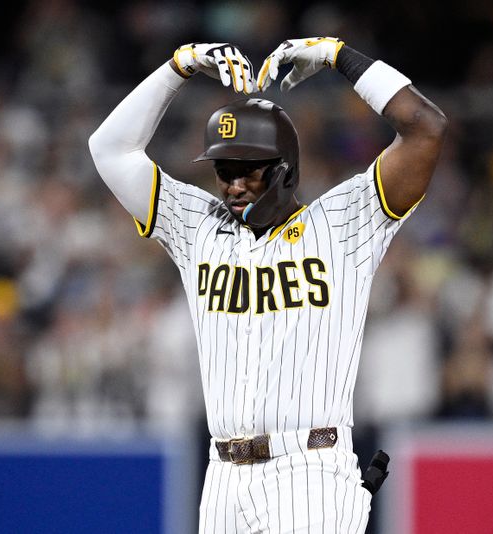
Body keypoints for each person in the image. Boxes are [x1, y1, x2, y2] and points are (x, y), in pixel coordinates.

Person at [89, 37, 446, 534]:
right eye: (223, 169)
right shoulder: (198, 229)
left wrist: (338, 56)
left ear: (284, 170)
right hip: (223, 478)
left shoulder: (343, 222)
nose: (233, 184)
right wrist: (179, 65)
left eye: (247, 170)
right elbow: (108, 149)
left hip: (312, 471)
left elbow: (425, 128)